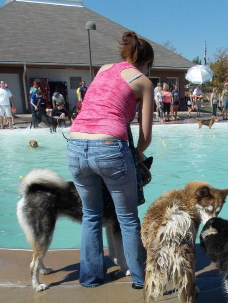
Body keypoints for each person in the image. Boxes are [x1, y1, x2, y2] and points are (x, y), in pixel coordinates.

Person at [67, 30, 153, 289]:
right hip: (109, 147)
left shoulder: (104, 69)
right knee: (127, 217)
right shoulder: (144, 81)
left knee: (91, 215)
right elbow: (145, 136)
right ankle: (139, 279)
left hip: (75, 143)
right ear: (147, 62)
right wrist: (138, 153)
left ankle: (91, 278)